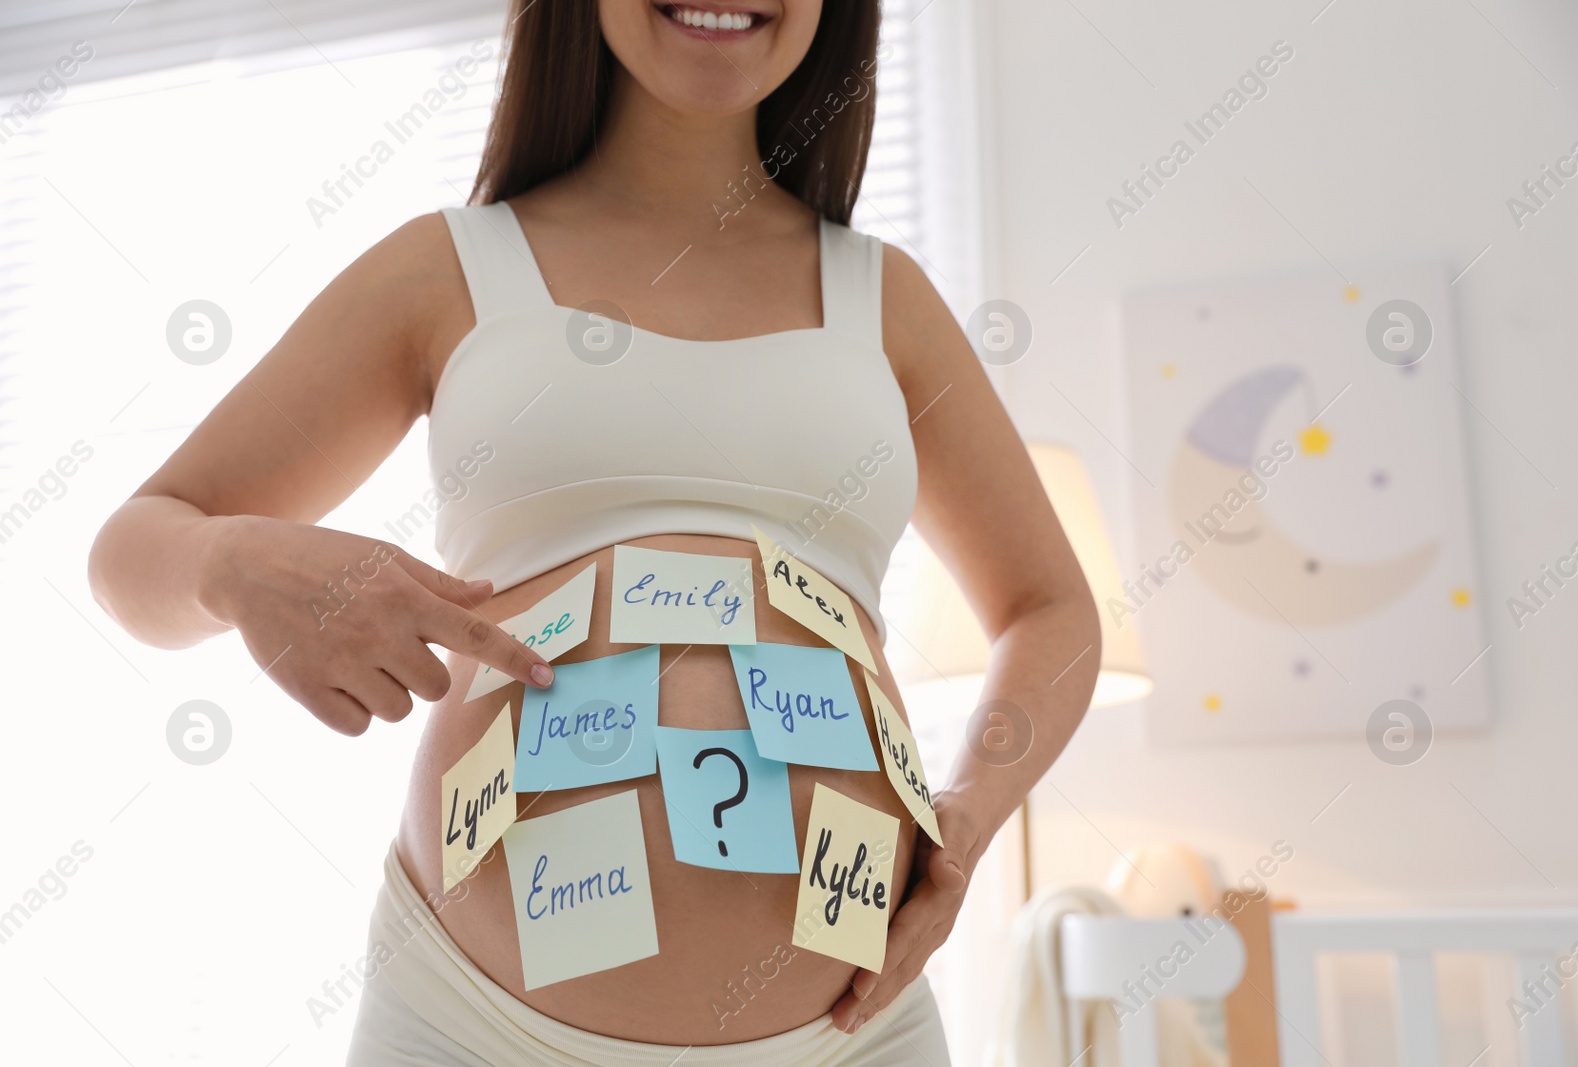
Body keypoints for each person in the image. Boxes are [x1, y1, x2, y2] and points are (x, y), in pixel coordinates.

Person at [87, 2, 1101, 1064]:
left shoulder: (882, 300)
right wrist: (232, 563)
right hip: (468, 1023)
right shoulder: (448, 269)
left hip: (852, 1033)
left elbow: (1052, 609)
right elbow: (131, 549)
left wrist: (970, 822)